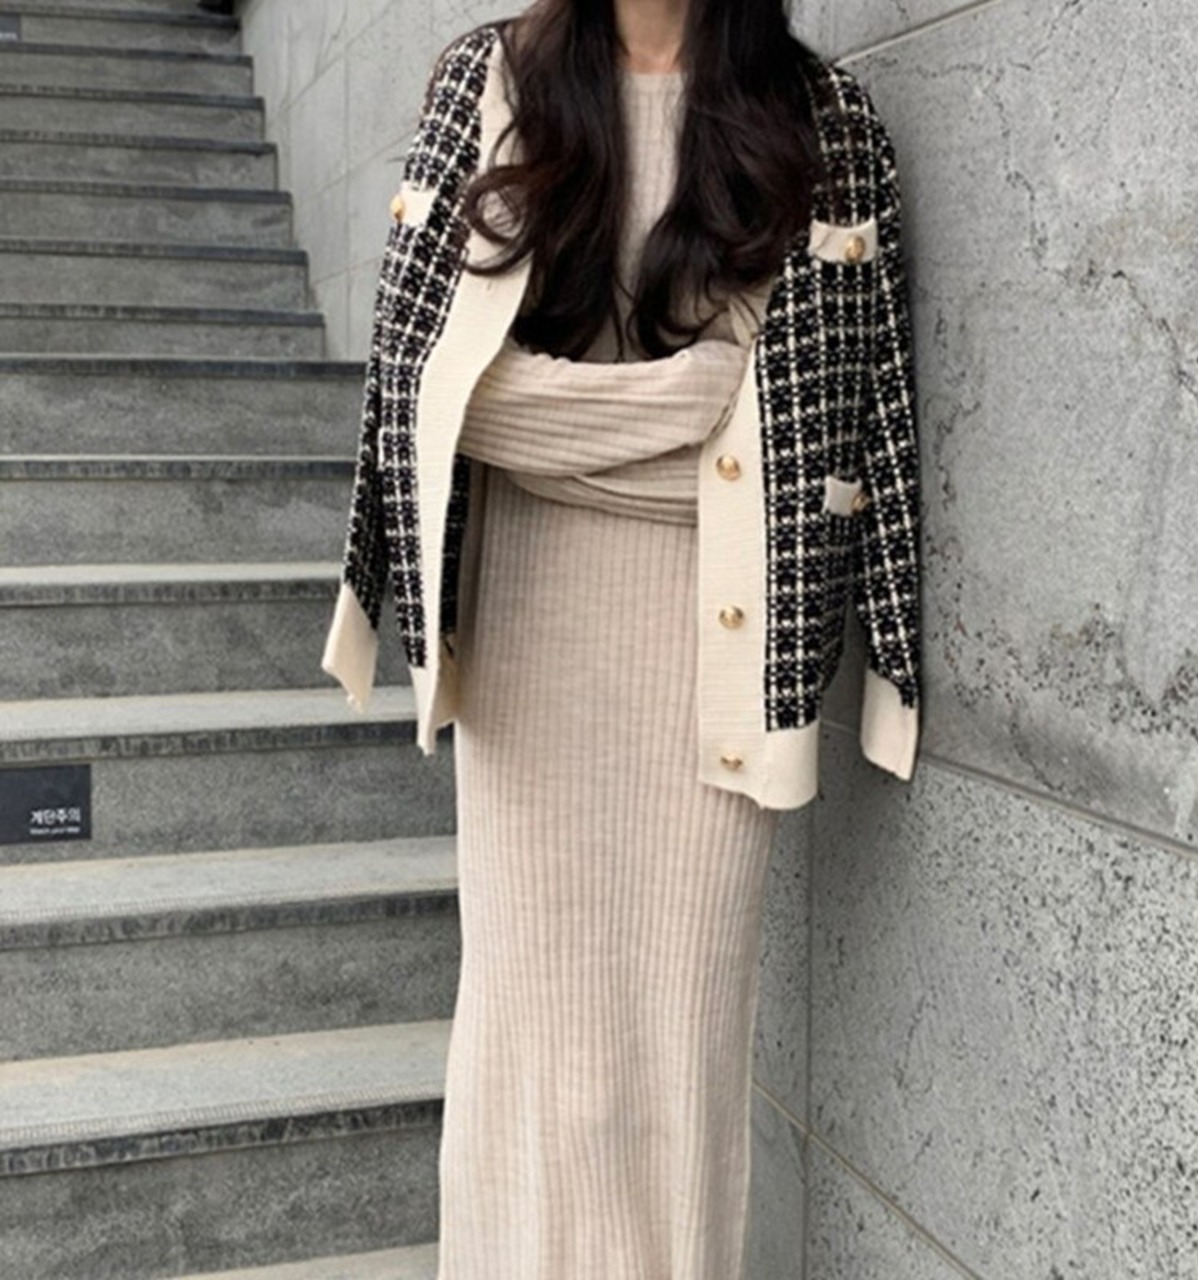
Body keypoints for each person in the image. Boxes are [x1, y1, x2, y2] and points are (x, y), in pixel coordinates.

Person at [322, 0, 923, 1274]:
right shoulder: (487, 81)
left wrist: (553, 422)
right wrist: (696, 405)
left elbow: (852, 422)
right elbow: (429, 388)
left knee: (679, 1054)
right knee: (524, 1046)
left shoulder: (826, 122)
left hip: (718, 652)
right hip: (530, 643)